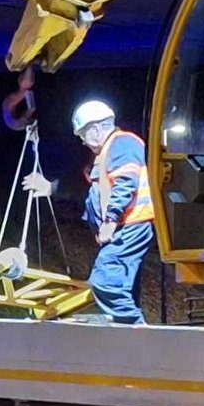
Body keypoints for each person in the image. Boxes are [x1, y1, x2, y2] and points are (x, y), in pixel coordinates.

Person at [31, 100, 155, 324]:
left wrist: (109, 222)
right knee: (122, 285)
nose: (82, 141)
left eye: (83, 134)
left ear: (96, 129)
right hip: (127, 226)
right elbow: (89, 189)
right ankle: (129, 330)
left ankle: (135, 331)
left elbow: (126, 182)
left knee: (105, 280)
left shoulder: (122, 143)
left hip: (129, 225)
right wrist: (51, 188)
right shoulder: (109, 152)